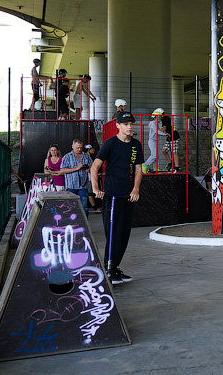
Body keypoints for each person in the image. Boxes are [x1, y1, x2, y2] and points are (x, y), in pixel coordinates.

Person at [90, 110, 143, 285]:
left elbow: (138, 169)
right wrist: (96, 188)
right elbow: (94, 167)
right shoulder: (109, 144)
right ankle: (108, 270)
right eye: (126, 124)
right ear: (118, 125)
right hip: (112, 194)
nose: (129, 127)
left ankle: (115, 267)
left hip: (129, 195)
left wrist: (135, 189)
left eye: (131, 124)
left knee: (124, 234)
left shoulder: (136, 145)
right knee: (113, 233)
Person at [60, 138, 93, 212]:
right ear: (73, 146)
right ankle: (71, 223)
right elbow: (62, 170)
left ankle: (83, 223)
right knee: (70, 207)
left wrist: (89, 169)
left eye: (81, 147)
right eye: (77, 147)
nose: (79, 149)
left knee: (84, 207)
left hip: (83, 186)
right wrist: (76, 168)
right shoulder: (67, 157)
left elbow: (93, 168)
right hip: (71, 186)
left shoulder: (86, 156)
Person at [144, 108, 168, 172]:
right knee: (154, 155)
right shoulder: (153, 123)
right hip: (152, 141)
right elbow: (157, 131)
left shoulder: (155, 123)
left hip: (155, 140)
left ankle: (156, 168)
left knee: (156, 155)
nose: (160, 119)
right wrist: (164, 134)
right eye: (160, 117)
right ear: (155, 117)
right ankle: (144, 165)